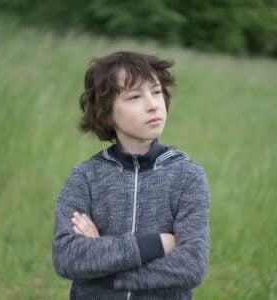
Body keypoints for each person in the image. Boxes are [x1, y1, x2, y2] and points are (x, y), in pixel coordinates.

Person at [52, 51, 210, 300]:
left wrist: (103, 269)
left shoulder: (188, 176)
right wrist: (157, 244)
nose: (152, 104)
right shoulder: (85, 177)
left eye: (156, 92)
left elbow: (190, 266)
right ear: (106, 112)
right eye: (135, 96)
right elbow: (67, 257)